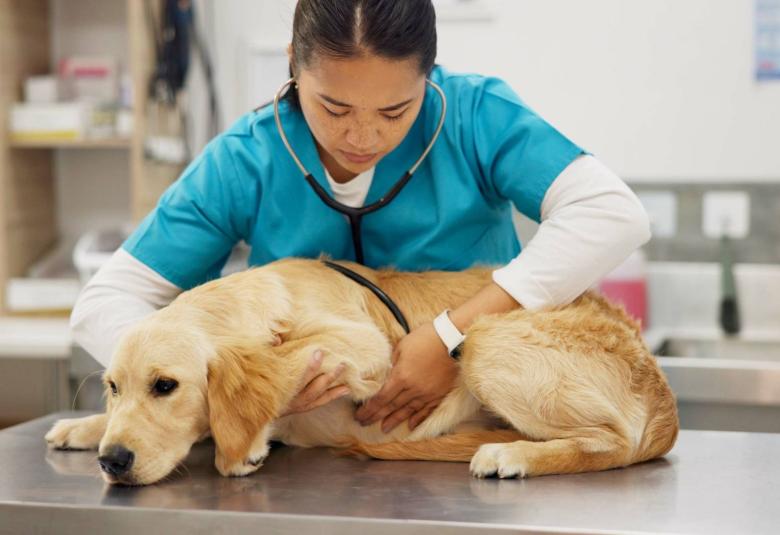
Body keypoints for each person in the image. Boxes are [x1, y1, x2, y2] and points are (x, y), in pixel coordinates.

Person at [71, 0, 650, 435]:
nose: (363, 136)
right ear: (294, 65)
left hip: (477, 430)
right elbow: (103, 305)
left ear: (428, 75)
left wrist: (454, 336)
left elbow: (611, 214)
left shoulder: (475, 115)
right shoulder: (245, 158)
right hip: (311, 465)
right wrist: (239, 384)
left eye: (396, 110)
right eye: (334, 107)